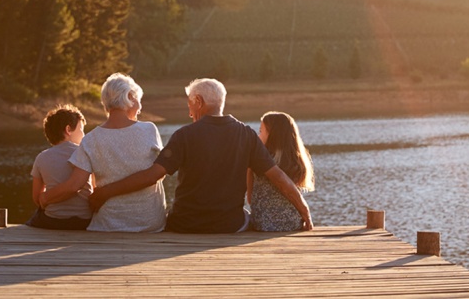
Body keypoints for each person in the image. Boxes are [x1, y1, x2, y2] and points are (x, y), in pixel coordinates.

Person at [89, 78, 313, 233]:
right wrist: (305, 211)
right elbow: (278, 177)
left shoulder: (184, 135)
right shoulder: (246, 134)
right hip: (230, 226)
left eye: (190, 105)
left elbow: (152, 175)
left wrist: (104, 192)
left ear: (199, 102)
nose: (189, 112)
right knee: (245, 216)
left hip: (184, 225)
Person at [40, 73, 166, 232]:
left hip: (108, 225)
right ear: (129, 97)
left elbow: (73, 185)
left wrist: (44, 197)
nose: (140, 108)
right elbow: (158, 173)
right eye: (139, 100)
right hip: (149, 223)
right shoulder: (149, 129)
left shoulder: (90, 139)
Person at [26, 104, 93, 230]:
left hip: (53, 220)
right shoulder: (86, 154)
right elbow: (94, 190)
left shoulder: (41, 158)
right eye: (81, 129)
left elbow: (36, 198)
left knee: (34, 219)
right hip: (84, 221)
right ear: (68, 130)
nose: (84, 135)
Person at [247, 111, 315, 231]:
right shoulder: (296, 161)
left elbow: (250, 198)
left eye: (261, 131)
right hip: (292, 223)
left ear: (273, 135)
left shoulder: (258, 160)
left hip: (263, 224)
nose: (258, 136)